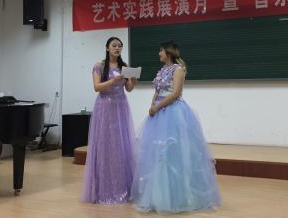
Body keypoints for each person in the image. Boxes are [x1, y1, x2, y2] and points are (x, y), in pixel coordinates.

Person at [130, 41, 221, 213]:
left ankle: (178, 197)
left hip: (173, 112)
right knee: (158, 153)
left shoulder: (178, 69)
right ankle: (158, 195)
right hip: (158, 114)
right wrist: (152, 106)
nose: (159, 54)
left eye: (161, 51)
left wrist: (157, 106)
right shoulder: (163, 69)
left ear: (169, 52)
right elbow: (157, 91)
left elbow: (175, 93)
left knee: (172, 152)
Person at [82, 37, 137, 204]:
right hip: (105, 107)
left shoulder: (124, 66)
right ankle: (103, 189)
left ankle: (122, 187)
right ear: (107, 48)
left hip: (120, 106)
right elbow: (96, 87)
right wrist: (113, 80)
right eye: (114, 45)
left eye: (120, 46)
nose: (117, 48)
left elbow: (129, 89)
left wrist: (132, 79)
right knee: (105, 145)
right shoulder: (99, 65)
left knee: (120, 145)